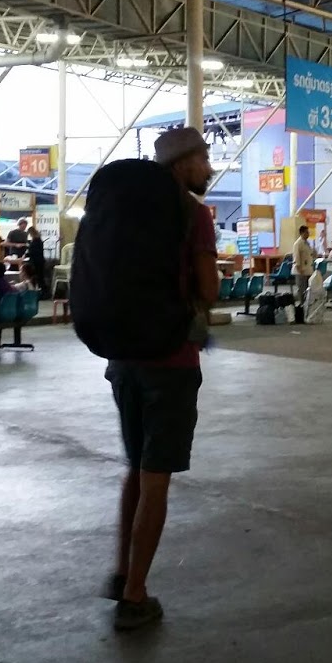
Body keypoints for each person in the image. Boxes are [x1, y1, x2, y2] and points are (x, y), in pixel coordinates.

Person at [103, 125, 217, 632]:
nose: (208, 168)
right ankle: (135, 595)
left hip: (123, 359)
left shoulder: (125, 210)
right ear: (182, 162)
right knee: (156, 479)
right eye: (203, 159)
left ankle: (121, 571)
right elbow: (209, 290)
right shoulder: (193, 214)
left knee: (136, 469)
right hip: (170, 363)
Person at [292, 225, 315, 318]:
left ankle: (307, 306)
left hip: (308, 270)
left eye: (308, 232)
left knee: (307, 290)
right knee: (301, 289)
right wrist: (299, 268)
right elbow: (296, 257)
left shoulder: (307, 243)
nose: (308, 234)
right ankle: (302, 307)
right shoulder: (298, 243)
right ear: (301, 233)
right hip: (301, 270)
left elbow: (310, 254)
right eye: (306, 232)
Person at [26, 226, 47, 292]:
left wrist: (26, 253)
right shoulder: (39, 239)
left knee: (37, 277)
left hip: (36, 261)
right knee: (41, 277)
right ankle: (43, 290)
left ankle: (39, 290)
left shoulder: (35, 241)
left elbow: (32, 251)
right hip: (40, 260)